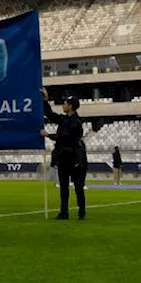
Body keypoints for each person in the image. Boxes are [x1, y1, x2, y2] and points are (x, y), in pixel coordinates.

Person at [41, 88, 86, 219]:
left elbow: (65, 137)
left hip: (74, 158)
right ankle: (64, 212)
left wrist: (48, 135)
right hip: (64, 158)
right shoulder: (65, 119)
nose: (63, 105)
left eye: (65, 103)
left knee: (78, 187)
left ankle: (81, 211)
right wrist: (45, 99)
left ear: (70, 106)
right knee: (64, 187)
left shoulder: (76, 123)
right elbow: (50, 114)